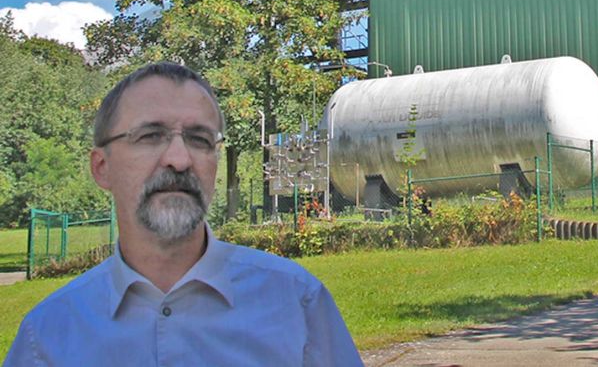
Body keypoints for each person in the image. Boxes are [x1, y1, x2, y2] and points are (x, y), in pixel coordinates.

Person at [3, 62, 363, 366]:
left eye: (199, 139)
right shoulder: (48, 339)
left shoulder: (297, 304)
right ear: (102, 167)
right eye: (149, 136)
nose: (179, 159)